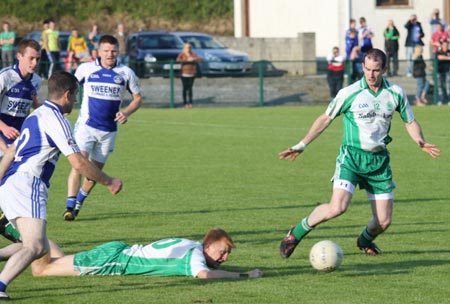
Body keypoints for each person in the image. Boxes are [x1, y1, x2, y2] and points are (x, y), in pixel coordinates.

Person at [278, 48, 440, 259]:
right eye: (367, 69)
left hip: (379, 162)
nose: (371, 75)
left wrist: (420, 140)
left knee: (383, 222)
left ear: (384, 69)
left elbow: (409, 121)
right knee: (337, 207)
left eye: (376, 70)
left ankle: (364, 240)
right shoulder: (349, 93)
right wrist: (302, 144)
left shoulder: (395, 93)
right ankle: (295, 234)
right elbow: (325, 118)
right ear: (362, 67)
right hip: (352, 158)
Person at [0, 71, 123, 301]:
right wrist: (108, 181)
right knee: (35, 246)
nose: (75, 101)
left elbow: (11, 153)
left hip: (9, 184)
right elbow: (77, 162)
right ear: (67, 95)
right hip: (29, 183)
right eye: (75, 96)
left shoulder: (34, 115)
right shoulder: (57, 119)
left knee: (37, 245)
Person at [63, 35, 141, 221]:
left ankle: (79, 202)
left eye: (113, 51)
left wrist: (126, 113)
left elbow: (138, 99)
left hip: (109, 131)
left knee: (95, 172)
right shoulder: (86, 69)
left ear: (118, 52)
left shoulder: (126, 73)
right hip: (86, 127)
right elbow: (69, 88)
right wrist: (65, 107)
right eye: (106, 51)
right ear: (99, 51)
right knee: (78, 163)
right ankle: (69, 205)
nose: (110, 54)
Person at [0, 226, 263, 279]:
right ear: (207, 246)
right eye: (221, 252)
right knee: (41, 268)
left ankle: (36, 239)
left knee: (50, 259)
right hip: (112, 261)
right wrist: (243, 276)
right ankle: (30, 237)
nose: (224, 258)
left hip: (115, 253)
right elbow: (204, 275)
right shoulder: (195, 256)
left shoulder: (191, 245)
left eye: (227, 254)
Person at [0, 39, 42, 149]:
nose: (35, 63)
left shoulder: (37, 81)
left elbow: (33, 105)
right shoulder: (5, 77)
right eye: (31, 58)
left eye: (37, 59)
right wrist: (4, 128)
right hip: (2, 136)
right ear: (19, 56)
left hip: (19, 137)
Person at [176, 43, 202, 108]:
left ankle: (190, 102)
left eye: (189, 48)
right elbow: (178, 60)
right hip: (184, 73)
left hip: (191, 73)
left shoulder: (193, 55)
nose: (188, 49)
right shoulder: (182, 54)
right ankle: (185, 103)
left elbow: (200, 59)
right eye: (187, 48)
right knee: (185, 88)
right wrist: (186, 60)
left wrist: (193, 59)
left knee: (190, 88)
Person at [435, 41, 450, 105]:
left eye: (446, 45)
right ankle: (441, 99)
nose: (445, 46)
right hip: (440, 71)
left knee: (448, 86)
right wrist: (448, 58)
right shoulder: (438, 52)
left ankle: (448, 99)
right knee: (440, 86)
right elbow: (439, 57)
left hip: (447, 71)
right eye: (444, 45)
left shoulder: (449, 51)